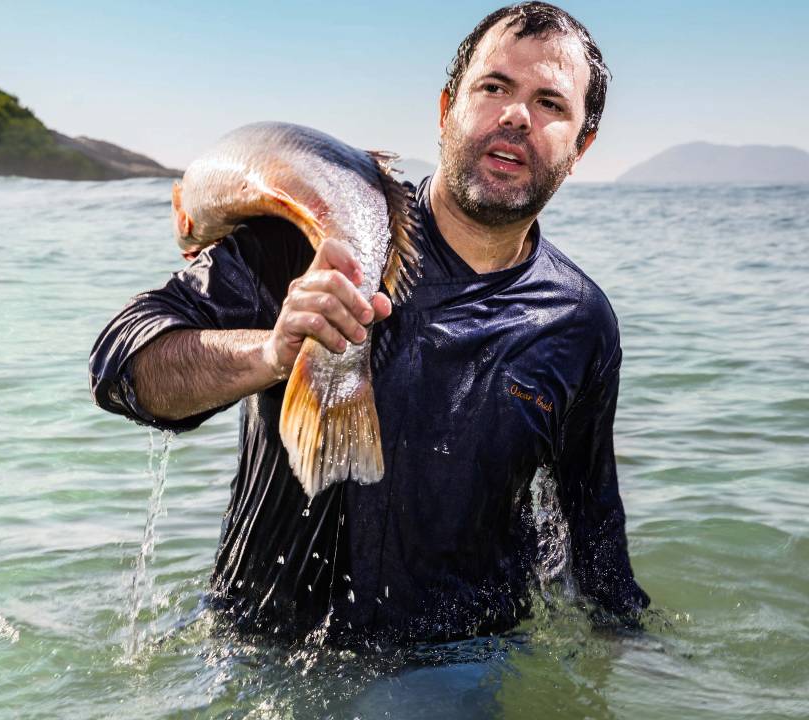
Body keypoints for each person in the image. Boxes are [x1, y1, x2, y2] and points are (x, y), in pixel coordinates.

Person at [89, 1, 649, 644]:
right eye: (494, 88)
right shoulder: (312, 238)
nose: (517, 114)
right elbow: (121, 368)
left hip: (461, 660)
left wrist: (638, 657)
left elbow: (591, 527)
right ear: (447, 112)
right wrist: (271, 352)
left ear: (581, 148)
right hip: (264, 649)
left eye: (551, 103)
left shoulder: (579, 320)